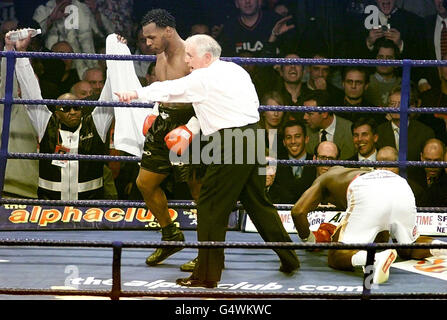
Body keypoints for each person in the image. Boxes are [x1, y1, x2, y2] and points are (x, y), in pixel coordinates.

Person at [115, 34, 300, 288]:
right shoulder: (236, 70)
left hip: (230, 142)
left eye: (190, 55)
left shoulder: (203, 77)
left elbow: (169, 89)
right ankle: (290, 258)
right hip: (254, 135)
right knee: (257, 202)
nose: (187, 60)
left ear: (206, 56)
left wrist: (134, 93)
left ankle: (206, 276)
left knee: (210, 207)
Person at [116, 9, 204, 271]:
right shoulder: (159, 55)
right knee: (145, 183)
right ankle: (171, 236)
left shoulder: (192, 55)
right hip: (163, 120)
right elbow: (163, 89)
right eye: (146, 39)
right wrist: (155, 112)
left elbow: (205, 99)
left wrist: (190, 129)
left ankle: (208, 251)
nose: (148, 43)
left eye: (152, 37)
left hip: (190, 123)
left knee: (198, 191)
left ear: (168, 30)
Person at [291, 165, 447, 284]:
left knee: (335, 256)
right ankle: (441, 248)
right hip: (399, 184)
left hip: (366, 190)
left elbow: (297, 212)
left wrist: (310, 241)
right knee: (408, 249)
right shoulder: (353, 172)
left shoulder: (322, 180)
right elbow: (381, 236)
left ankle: (372, 260)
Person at [7, 30, 114, 200]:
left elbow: (110, 94)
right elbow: (30, 91)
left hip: (90, 206)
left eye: (76, 108)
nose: (72, 112)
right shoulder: (46, 124)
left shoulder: (95, 125)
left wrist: (116, 55)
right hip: (51, 206)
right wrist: (21, 53)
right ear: (57, 113)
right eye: (66, 109)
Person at [267, 119, 316, 204]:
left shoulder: (316, 162)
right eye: (288, 137)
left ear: (306, 139)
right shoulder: (275, 164)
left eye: (297, 136)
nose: (293, 141)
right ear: (284, 142)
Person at [303, 90, 355, 160]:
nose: (304, 117)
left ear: (324, 113)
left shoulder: (349, 130)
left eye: (309, 114)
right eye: (304, 113)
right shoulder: (305, 131)